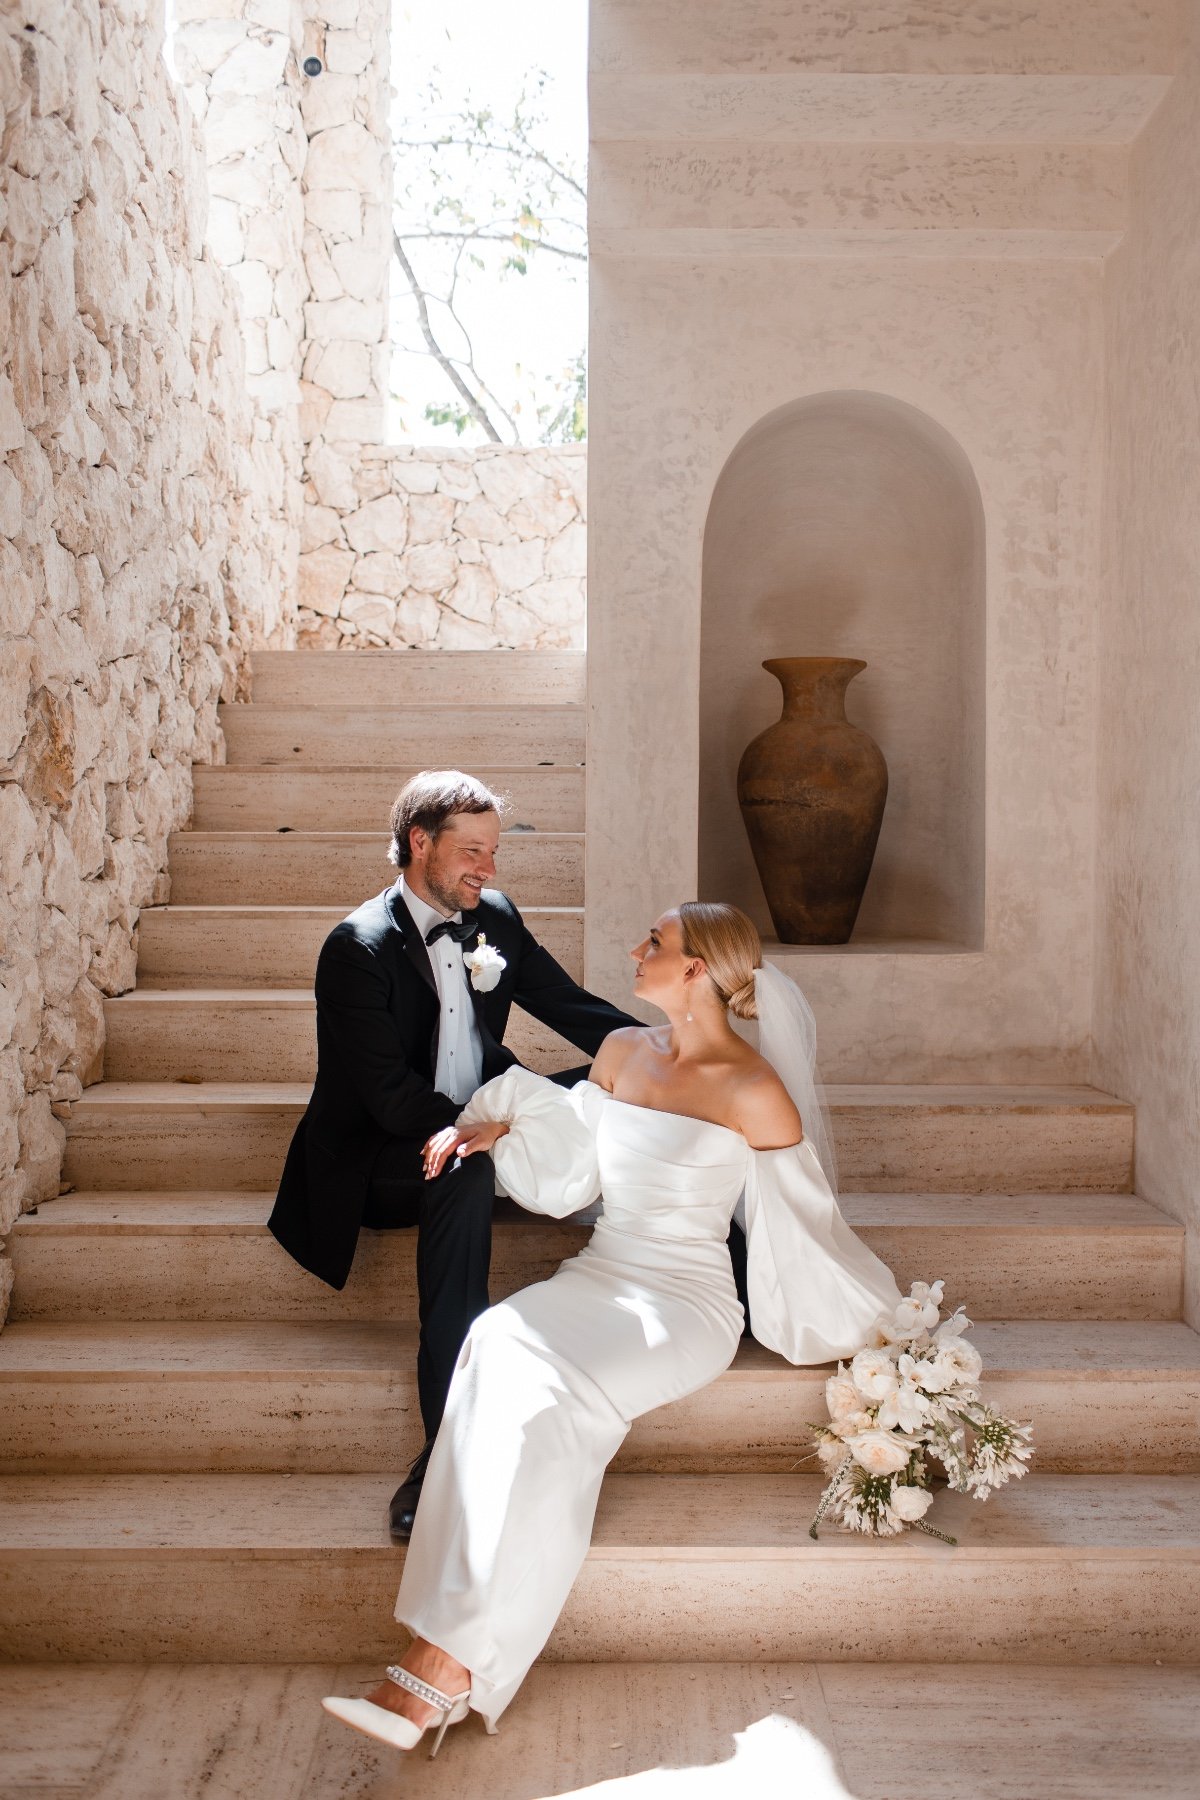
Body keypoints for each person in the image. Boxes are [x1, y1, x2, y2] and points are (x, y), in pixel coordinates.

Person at [321, 901, 902, 1753]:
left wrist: (876, 1329)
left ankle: (438, 1668)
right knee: (493, 1341)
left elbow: (801, 1228)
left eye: (656, 943)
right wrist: (506, 1124)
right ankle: (446, 1666)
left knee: (554, 1397)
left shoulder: (755, 1089)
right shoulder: (623, 1050)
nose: (636, 950)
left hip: (684, 1303)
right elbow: (572, 1176)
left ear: (698, 969)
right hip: (602, 1273)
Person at [267, 770, 639, 1538]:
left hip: (487, 1117)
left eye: (494, 852)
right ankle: (444, 1448)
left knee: (618, 1086)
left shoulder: (491, 916)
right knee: (463, 1170)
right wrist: (499, 1129)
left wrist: (672, 1055)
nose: (488, 869)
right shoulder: (356, 948)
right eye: (472, 851)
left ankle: (720, 1262)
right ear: (419, 843)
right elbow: (393, 1103)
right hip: (385, 1154)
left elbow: (571, 1007)